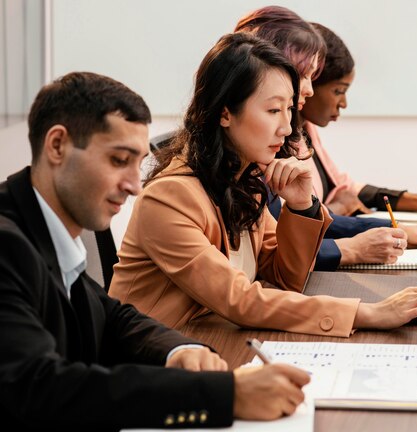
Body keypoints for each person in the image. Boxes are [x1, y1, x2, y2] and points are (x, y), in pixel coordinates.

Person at [0, 71, 311, 430]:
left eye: (137, 163)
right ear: (57, 146)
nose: (134, 186)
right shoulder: (8, 246)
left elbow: (112, 317)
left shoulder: (41, 228)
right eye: (118, 160)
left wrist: (179, 350)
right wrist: (223, 394)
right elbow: (40, 387)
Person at [109, 33, 417, 338]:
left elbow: (285, 277)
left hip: (213, 341)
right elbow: (239, 298)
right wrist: (368, 313)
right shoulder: (171, 197)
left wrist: (301, 207)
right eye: (273, 111)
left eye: (289, 111)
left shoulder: (241, 181)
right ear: (225, 113)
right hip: (158, 360)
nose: (286, 127)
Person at [236, 6, 417, 271]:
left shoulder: (281, 140)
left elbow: (292, 237)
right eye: (303, 76)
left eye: (312, 77)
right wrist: (351, 250)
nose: (308, 90)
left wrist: (396, 228)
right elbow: (268, 260)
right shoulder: (242, 161)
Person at [300, 22, 417, 216]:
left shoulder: (306, 129)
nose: (343, 103)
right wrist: (337, 209)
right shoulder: (279, 143)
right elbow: (294, 223)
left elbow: (344, 187)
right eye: (338, 91)